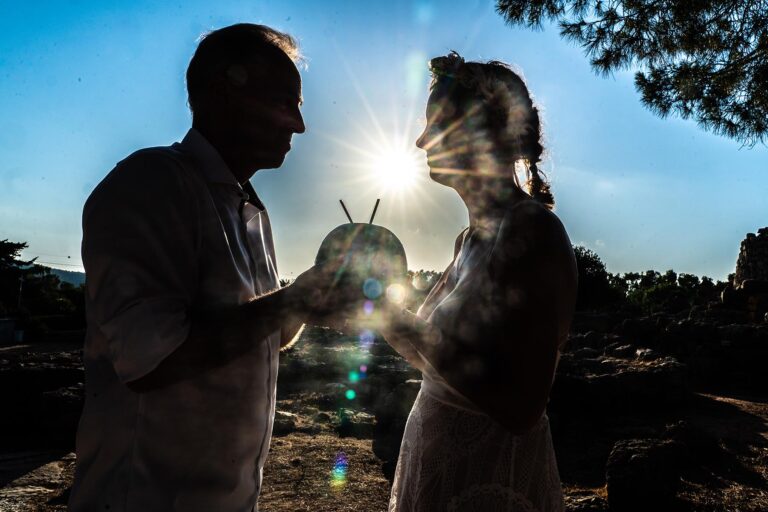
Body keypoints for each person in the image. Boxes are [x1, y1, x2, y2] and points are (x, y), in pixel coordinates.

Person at [69, 24, 344, 511]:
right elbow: (149, 356)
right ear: (223, 90)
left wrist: (306, 299)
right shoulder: (152, 183)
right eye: (286, 101)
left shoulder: (252, 213)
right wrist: (294, 299)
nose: (298, 126)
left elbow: (265, 332)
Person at [377, 53, 578, 511]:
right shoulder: (467, 240)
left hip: (490, 480)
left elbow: (522, 408)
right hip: (440, 471)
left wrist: (413, 329)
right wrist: (384, 312)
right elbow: (434, 361)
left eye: (437, 124)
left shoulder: (531, 232)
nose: (422, 139)